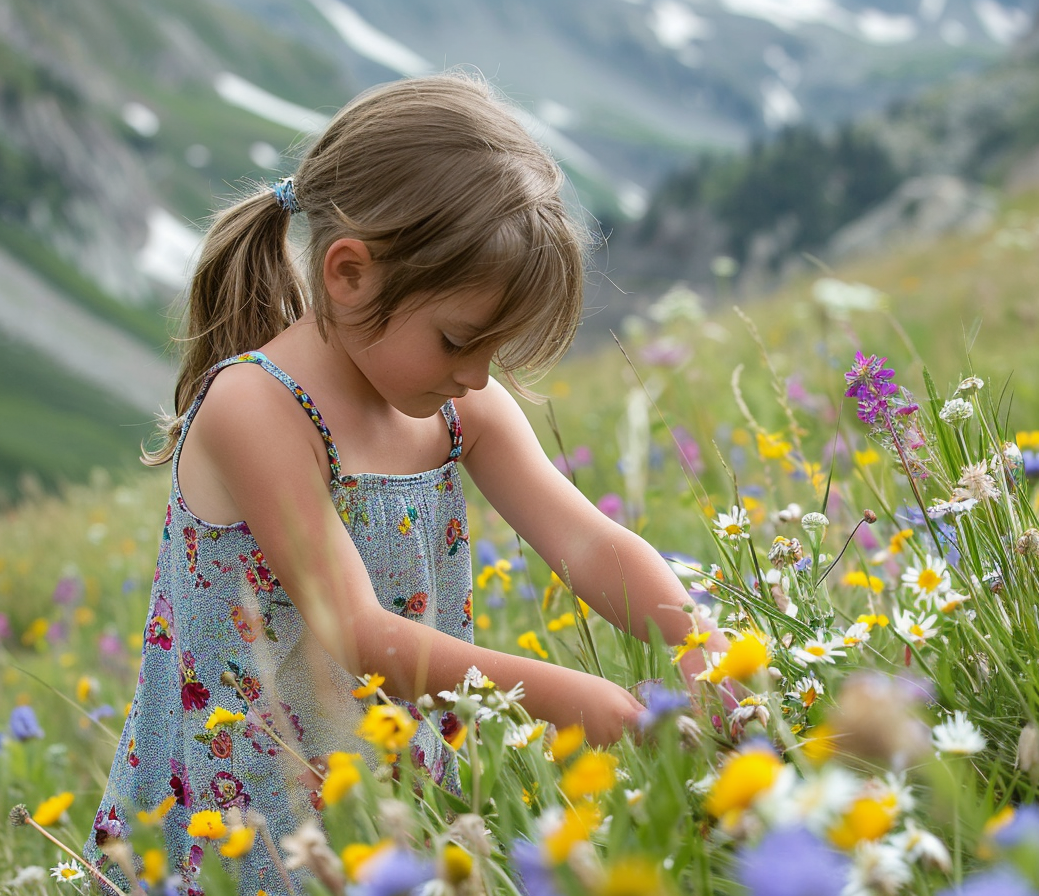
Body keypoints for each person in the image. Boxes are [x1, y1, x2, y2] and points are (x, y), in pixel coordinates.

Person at [83, 73, 728, 893]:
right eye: (459, 339)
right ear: (350, 274)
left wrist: (703, 651)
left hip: (381, 801)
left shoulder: (458, 406)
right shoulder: (257, 407)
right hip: (237, 816)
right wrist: (576, 698)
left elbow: (589, 541)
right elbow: (351, 627)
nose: (477, 375)